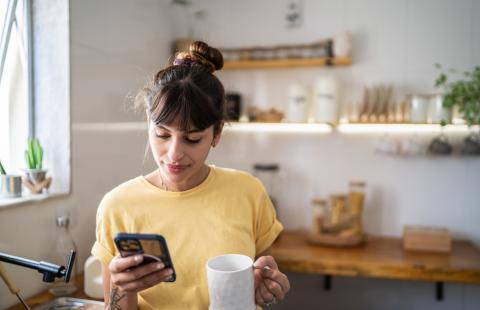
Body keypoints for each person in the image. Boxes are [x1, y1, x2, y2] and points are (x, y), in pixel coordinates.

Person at [91, 41, 290, 309]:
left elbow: (258, 280)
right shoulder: (118, 206)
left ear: (216, 133)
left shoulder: (248, 192)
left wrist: (267, 284)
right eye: (162, 134)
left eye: (193, 139)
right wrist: (121, 287)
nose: (174, 154)